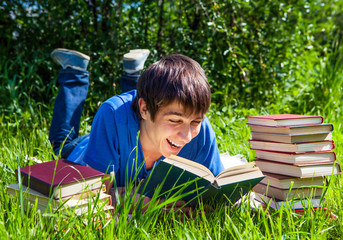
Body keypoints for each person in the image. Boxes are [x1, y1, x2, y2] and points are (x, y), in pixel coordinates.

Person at [48, 48, 224, 196]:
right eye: (175, 120)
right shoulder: (111, 114)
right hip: (89, 143)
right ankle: (75, 72)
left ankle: (133, 74)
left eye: (195, 122)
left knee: (152, 99)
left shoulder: (199, 127)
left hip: (136, 125)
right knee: (62, 143)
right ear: (144, 109)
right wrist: (137, 201)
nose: (187, 137)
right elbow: (94, 197)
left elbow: (217, 186)